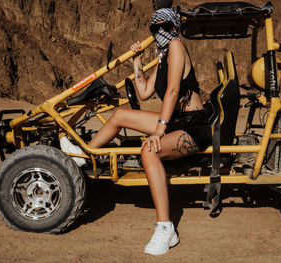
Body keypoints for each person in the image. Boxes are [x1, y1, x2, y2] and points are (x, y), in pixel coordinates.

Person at [61, 8, 212, 255]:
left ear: (174, 27)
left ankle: (166, 228)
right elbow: (143, 92)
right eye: (155, 28)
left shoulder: (176, 46)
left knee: (149, 151)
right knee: (120, 115)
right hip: (174, 121)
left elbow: (173, 91)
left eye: (165, 27)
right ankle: (83, 155)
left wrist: (158, 132)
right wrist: (137, 60)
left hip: (193, 126)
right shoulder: (163, 56)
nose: (160, 32)